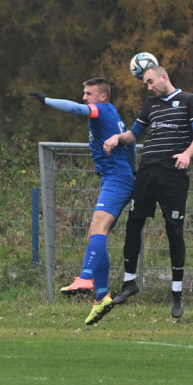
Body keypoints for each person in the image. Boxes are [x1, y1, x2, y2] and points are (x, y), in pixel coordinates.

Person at [102, 63, 193, 319]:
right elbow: (134, 135)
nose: (148, 87)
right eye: (146, 84)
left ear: (163, 77)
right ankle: (129, 282)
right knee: (133, 223)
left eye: (150, 82)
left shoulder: (188, 100)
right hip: (147, 174)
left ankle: (177, 292)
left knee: (174, 230)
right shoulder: (151, 104)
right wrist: (117, 138)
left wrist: (187, 153)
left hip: (172, 176)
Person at [29, 80, 136, 326]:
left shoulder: (102, 110)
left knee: (97, 228)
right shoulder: (114, 115)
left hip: (117, 179)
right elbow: (130, 144)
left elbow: (77, 109)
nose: (84, 98)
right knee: (96, 234)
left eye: (89, 94)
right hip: (117, 177)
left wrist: (47, 101)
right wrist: (134, 171)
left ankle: (86, 277)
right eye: (83, 93)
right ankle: (102, 296)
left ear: (103, 96)